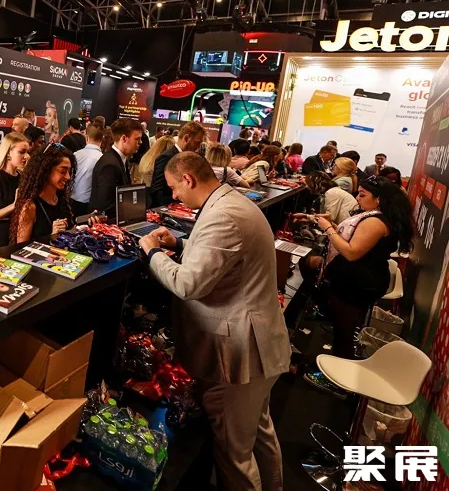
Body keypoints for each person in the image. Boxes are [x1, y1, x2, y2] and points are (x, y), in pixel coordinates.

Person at [138, 152, 290, 491]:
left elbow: (188, 284)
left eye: (175, 188)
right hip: (258, 347)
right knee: (259, 434)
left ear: (188, 179)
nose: (174, 195)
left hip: (239, 355)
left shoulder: (224, 215)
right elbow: (220, 254)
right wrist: (179, 242)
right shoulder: (228, 202)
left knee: (234, 453)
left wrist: (152, 253)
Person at [301, 178, 413, 385]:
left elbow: (351, 252)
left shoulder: (375, 222)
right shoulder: (374, 217)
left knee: (344, 331)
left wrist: (328, 229)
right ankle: (339, 372)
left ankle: (339, 381)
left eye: (362, 194)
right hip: (358, 279)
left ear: (379, 199)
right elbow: (354, 239)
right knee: (343, 325)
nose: (357, 198)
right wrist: (329, 224)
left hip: (359, 283)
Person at [11, 145, 76, 244]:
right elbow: (21, 248)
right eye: (63, 171)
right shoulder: (30, 207)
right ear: (46, 170)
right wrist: (52, 237)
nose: (68, 177)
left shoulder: (61, 199)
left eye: (69, 171)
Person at [0, 132, 30, 250]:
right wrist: (13, 206)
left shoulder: (22, 177)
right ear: (8, 153)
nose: (26, 156)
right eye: (21, 152)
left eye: (27, 152)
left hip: (17, 237)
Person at [90, 119, 143, 218]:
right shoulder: (110, 165)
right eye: (137, 139)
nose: (140, 142)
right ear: (124, 138)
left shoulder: (120, 159)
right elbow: (106, 206)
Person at [150, 121, 207, 207]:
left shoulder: (188, 158)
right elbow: (157, 191)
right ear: (186, 138)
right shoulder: (166, 157)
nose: (198, 146)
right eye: (197, 142)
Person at [70, 124, 105, 217]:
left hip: (72, 199)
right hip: (89, 204)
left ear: (86, 137)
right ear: (102, 139)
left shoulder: (76, 154)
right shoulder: (102, 159)